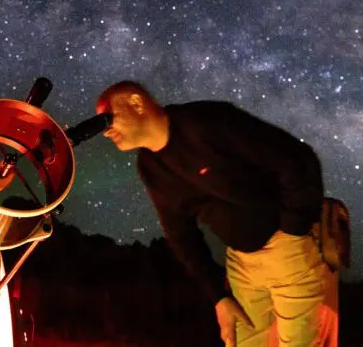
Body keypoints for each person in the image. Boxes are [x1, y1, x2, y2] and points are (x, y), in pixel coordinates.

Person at [96, 81, 338, 347]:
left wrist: (294, 230)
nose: (106, 132)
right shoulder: (150, 166)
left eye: (107, 117)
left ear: (136, 102)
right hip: (240, 265)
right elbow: (181, 235)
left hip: (286, 248)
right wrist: (219, 297)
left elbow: (297, 159)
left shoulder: (206, 122)